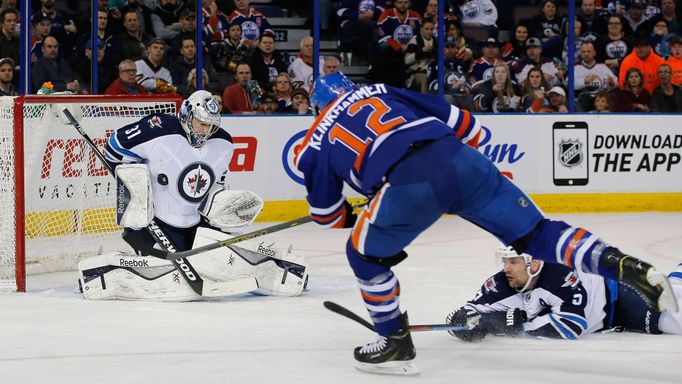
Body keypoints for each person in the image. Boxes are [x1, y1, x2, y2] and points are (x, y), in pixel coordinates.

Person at [294, 71, 677, 375]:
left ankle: (394, 338)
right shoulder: (379, 90)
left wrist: (367, 206)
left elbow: (327, 215)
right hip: (463, 161)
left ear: (317, 107)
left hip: (408, 186)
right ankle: (621, 263)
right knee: (538, 234)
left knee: (362, 254)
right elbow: (470, 127)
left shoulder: (313, 142)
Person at [79, 89, 308, 301]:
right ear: (188, 115)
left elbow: (216, 184)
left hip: (198, 226)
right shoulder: (158, 128)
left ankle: (278, 269)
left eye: (210, 126)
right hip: (154, 225)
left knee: (217, 265)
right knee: (169, 272)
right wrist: (135, 181)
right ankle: (105, 271)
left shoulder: (223, 143)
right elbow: (114, 147)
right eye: (201, 124)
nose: (205, 131)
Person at [445, 246, 682, 342]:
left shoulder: (560, 276)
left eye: (513, 262)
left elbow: (571, 326)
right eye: (505, 261)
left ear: (534, 264)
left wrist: (515, 326)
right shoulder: (503, 281)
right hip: (607, 312)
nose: (506, 268)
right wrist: (468, 322)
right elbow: (468, 311)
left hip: (619, 299)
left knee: (674, 318)